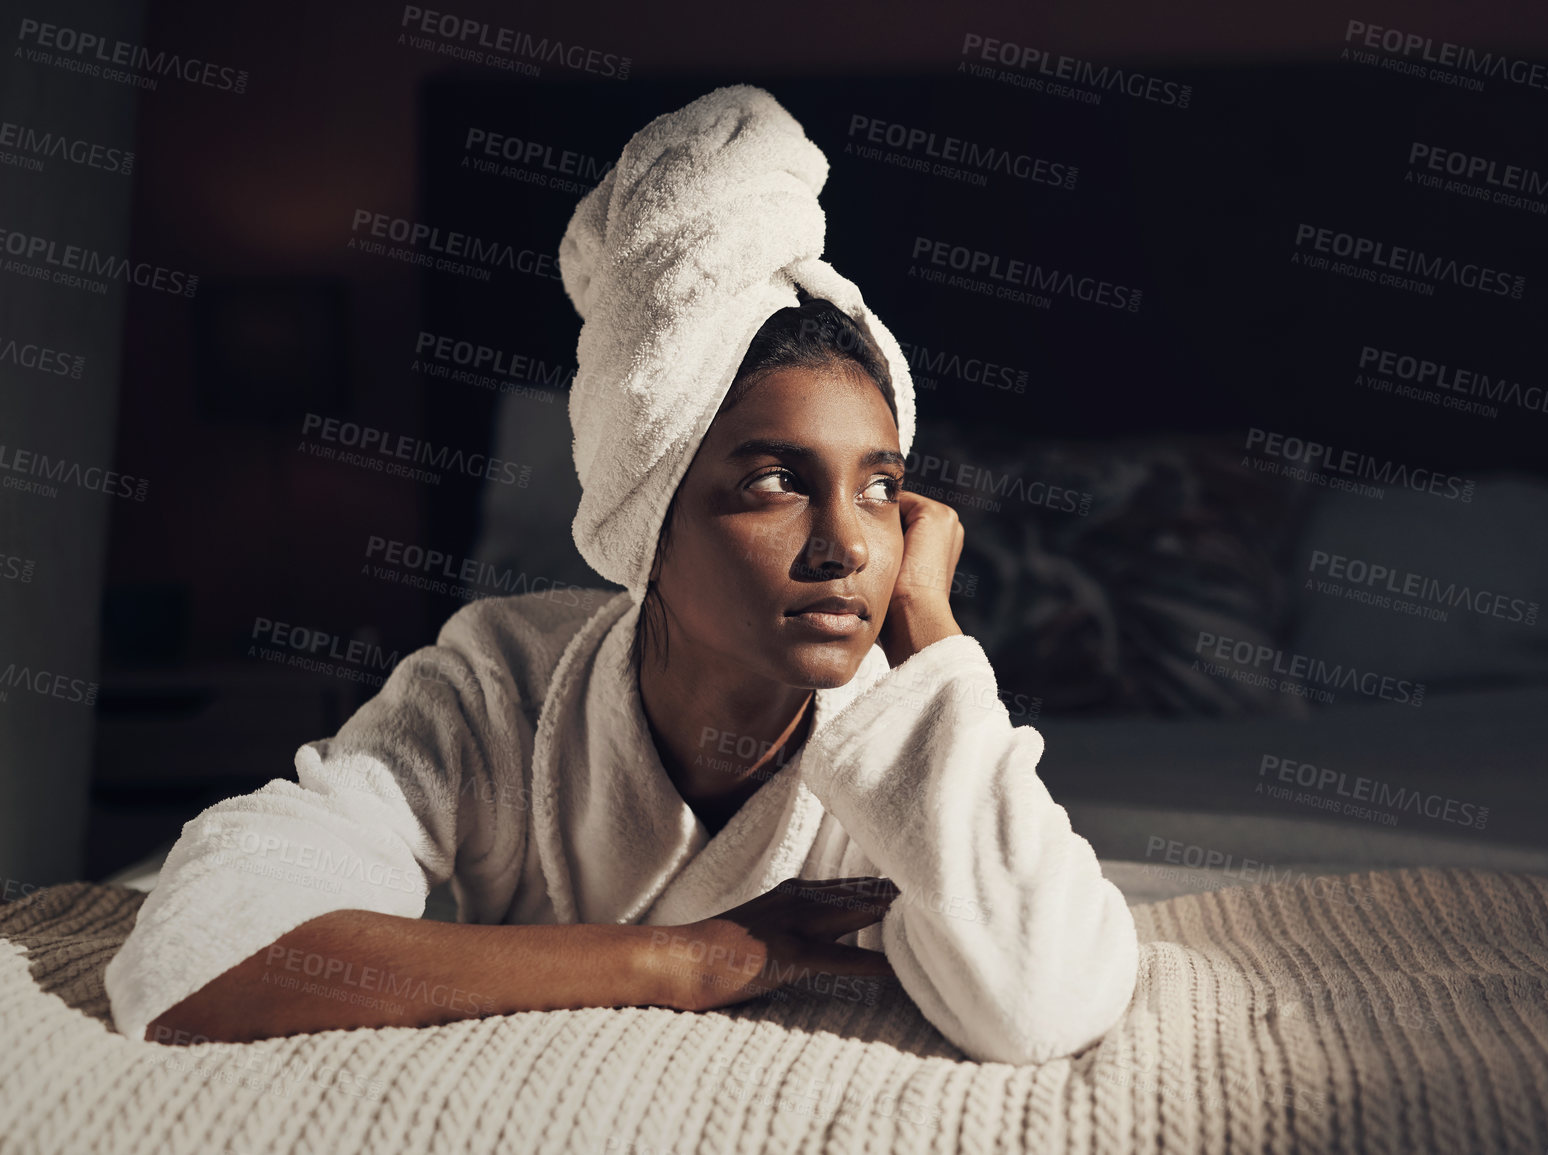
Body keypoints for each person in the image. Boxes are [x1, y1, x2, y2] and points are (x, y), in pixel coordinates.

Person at [105, 85, 1139, 1066]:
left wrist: (931, 631)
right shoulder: (497, 689)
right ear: (649, 517)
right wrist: (682, 958)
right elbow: (199, 952)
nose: (848, 546)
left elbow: (1043, 1002)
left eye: (879, 487)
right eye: (776, 482)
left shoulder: (908, 751)